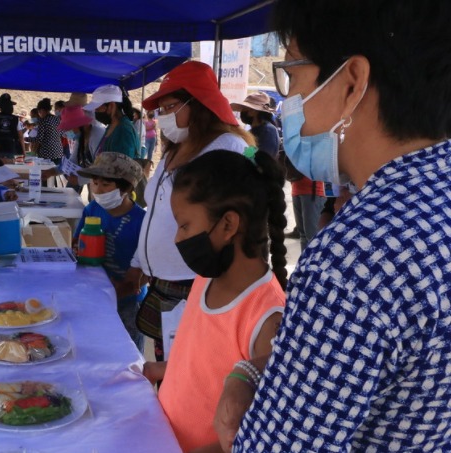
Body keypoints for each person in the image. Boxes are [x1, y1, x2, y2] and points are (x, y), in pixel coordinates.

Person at [214, 1, 451, 450]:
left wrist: (243, 381)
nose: (290, 100)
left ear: (352, 82)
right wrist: (257, 369)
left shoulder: (359, 254)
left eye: (295, 74)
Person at [142, 150, 287, 452]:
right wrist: (163, 369)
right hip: (162, 438)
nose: (178, 239)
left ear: (227, 225)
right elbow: (205, 362)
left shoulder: (268, 318)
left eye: (184, 226)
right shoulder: (206, 278)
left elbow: (246, 437)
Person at [124, 61, 255, 362]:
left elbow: (237, 224)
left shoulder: (226, 148)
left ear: (198, 105)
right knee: (166, 370)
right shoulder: (176, 148)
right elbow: (157, 211)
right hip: (164, 285)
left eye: (170, 107)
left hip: (196, 286)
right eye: (161, 110)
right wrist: (140, 263)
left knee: (186, 373)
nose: (163, 117)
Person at [73, 153, 146, 351]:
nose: (98, 190)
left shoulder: (142, 221)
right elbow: (77, 244)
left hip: (128, 300)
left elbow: (148, 267)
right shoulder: (92, 210)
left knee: (127, 352)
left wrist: (125, 289)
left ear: (126, 188)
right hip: (94, 294)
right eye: (95, 183)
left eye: (106, 185)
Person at [84, 84, 139, 158]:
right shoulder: (111, 126)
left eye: (98, 109)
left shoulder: (124, 130)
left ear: (111, 106)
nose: (95, 112)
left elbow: (124, 165)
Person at [230, 92, 280, 160]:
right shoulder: (255, 131)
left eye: (245, 109)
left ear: (253, 111)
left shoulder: (267, 131)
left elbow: (262, 160)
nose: (242, 112)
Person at [0, 93, 24, 160]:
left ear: (0, 106)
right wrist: (23, 151)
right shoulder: (15, 118)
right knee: (12, 168)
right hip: (12, 148)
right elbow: (20, 136)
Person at [32, 98, 63, 164]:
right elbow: (61, 133)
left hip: (46, 153)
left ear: (42, 110)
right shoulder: (56, 119)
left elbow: (39, 139)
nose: (39, 114)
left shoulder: (43, 121)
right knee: (55, 172)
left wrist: (26, 139)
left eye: (39, 112)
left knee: (46, 172)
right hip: (58, 151)